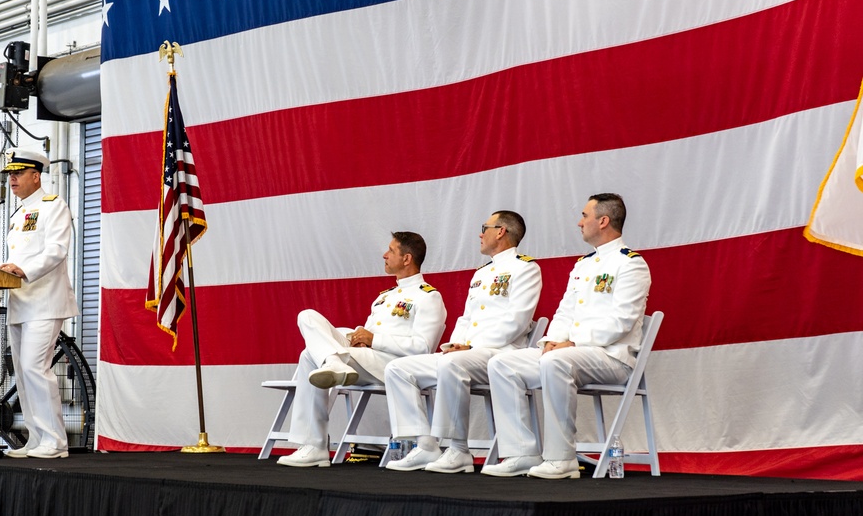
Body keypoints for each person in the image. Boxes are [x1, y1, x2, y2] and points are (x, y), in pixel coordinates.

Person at [483, 193, 651, 479]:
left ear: (603, 220)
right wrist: (552, 340)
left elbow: (621, 322)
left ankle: (562, 459)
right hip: (573, 352)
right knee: (502, 364)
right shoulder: (584, 265)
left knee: (556, 362)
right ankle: (522, 453)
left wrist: (571, 342)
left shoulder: (631, 264)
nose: (579, 222)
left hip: (612, 356)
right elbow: (565, 312)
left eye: (585, 216)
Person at [384, 211, 542, 473]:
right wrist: (455, 344)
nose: (481, 234)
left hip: (500, 352)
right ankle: (425, 446)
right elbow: (466, 318)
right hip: (468, 353)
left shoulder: (525, 268)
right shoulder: (481, 273)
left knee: (452, 363)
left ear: (501, 231)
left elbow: (517, 320)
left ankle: (458, 450)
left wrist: (471, 347)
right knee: (399, 369)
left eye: (485, 227)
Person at [276, 232, 448, 468]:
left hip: (391, 364)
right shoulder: (385, 297)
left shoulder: (428, 297)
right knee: (307, 317)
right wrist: (359, 339)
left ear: (407, 258)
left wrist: (373, 339)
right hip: (364, 357)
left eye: (391, 250)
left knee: (309, 356)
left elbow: (423, 347)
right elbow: (368, 335)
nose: (384, 255)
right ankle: (332, 363)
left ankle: (315, 444)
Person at [0, 148, 79, 459]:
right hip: (20, 302)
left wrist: (23, 270)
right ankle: (35, 438)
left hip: (45, 301)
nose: (12, 179)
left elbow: (57, 249)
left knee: (35, 367)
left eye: (18, 173)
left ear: (36, 176)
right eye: (10, 174)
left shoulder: (53, 205)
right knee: (22, 372)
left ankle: (55, 441)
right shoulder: (18, 214)